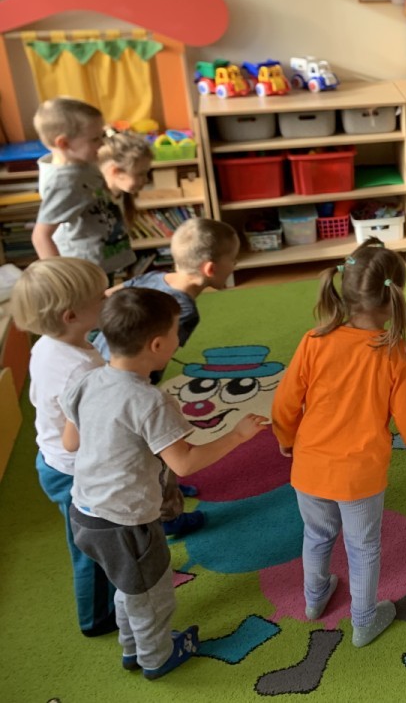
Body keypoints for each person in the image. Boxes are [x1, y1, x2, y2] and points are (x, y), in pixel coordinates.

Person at [62, 287, 267, 678]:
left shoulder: (86, 381)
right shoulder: (149, 401)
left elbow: (71, 442)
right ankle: (155, 657)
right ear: (157, 345)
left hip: (83, 513)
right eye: (176, 331)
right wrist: (237, 435)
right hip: (127, 523)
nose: (179, 339)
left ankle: (132, 648)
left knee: (128, 586)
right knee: (152, 594)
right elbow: (185, 462)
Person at [272, 238, 406, 648]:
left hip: (309, 467)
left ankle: (314, 599)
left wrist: (285, 438)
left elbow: (285, 403)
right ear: (394, 297)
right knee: (363, 548)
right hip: (360, 477)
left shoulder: (314, 339)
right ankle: (363, 622)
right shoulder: (399, 352)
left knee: (317, 535)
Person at [92, 218, 242, 538]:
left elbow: (111, 294)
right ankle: (169, 515)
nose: (236, 265)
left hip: (106, 365)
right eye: (234, 259)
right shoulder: (184, 308)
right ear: (211, 269)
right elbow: (158, 354)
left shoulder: (153, 276)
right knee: (156, 441)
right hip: (129, 380)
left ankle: (164, 484)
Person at [11, 257, 115, 637]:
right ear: (71, 316)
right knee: (90, 548)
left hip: (54, 460)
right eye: (101, 297)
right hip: (75, 471)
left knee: (92, 541)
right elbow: (85, 433)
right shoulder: (80, 370)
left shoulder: (49, 345)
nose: (108, 298)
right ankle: (96, 618)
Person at [31, 97, 135, 279]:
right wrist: (61, 279)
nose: (102, 143)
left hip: (101, 256)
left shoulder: (81, 161)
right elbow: (41, 236)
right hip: (84, 267)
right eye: (95, 139)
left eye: (102, 136)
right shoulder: (64, 182)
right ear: (64, 143)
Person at [97, 129, 152, 221]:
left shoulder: (123, 196)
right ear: (115, 171)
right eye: (140, 174)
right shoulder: (95, 203)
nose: (146, 180)